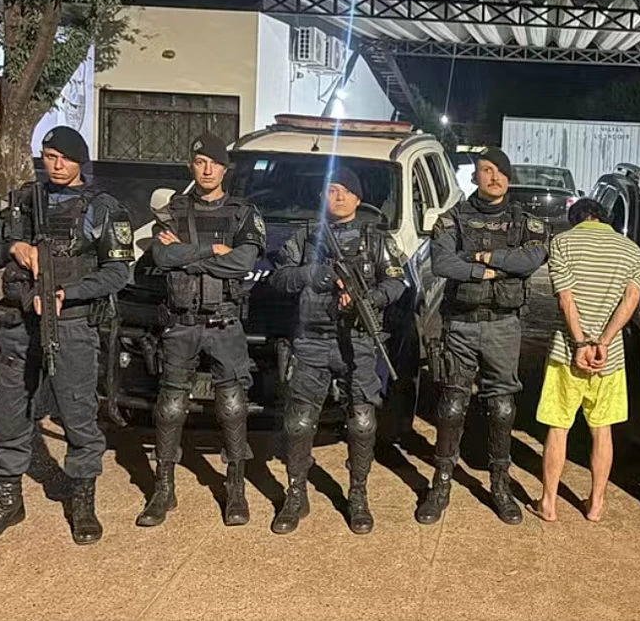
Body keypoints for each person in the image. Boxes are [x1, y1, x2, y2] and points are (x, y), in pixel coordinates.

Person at [0, 126, 133, 545]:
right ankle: (8, 501)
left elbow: (118, 272)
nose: (57, 166)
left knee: (78, 417)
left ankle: (83, 503)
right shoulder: (22, 202)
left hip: (72, 325)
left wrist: (68, 294)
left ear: (81, 161)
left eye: (65, 158)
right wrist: (15, 248)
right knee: (10, 414)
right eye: (49, 156)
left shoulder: (102, 208)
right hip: (18, 326)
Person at [267, 167, 407, 535]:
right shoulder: (304, 237)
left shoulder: (376, 239)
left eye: (346, 191)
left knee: (362, 421)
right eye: (332, 190)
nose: (339, 197)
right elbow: (278, 277)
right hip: (311, 340)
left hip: (357, 340)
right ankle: (295, 494)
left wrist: (369, 299)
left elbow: (397, 282)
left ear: (359, 199)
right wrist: (309, 275)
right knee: (299, 422)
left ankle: (358, 494)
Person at [135, 133, 265, 528]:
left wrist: (188, 257)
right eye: (199, 162)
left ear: (225, 168)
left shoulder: (243, 213)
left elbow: (243, 262)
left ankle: (236, 488)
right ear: (191, 166)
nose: (207, 170)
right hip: (181, 322)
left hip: (224, 322)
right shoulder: (174, 210)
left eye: (214, 163)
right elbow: (163, 256)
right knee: (170, 407)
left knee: (232, 405)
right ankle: (163, 489)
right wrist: (211, 251)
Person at [415, 147, 549, 526]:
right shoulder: (453, 219)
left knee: (502, 408)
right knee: (452, 405)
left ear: (509, 177)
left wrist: (488, 259)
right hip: (460, 323)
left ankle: (500, 484)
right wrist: (481, 273)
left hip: (504, 325)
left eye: (500, 171)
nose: (494, 177)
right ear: (474, 176)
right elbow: (444, 262)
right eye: (486, 170)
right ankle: (441, 484)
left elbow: (532, 259)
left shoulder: (525, 222)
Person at [531, 198, 640, 523]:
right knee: (601, 429)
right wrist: (604, 341)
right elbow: (631, 300)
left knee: (558, 426)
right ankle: (596, 504)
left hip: (567, 350)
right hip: (610, 356)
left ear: (576, 219)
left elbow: (565, 299)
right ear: (603, 218)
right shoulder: (631, 249)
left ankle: (548, 503)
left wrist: (581, 341)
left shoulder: (562, 243)